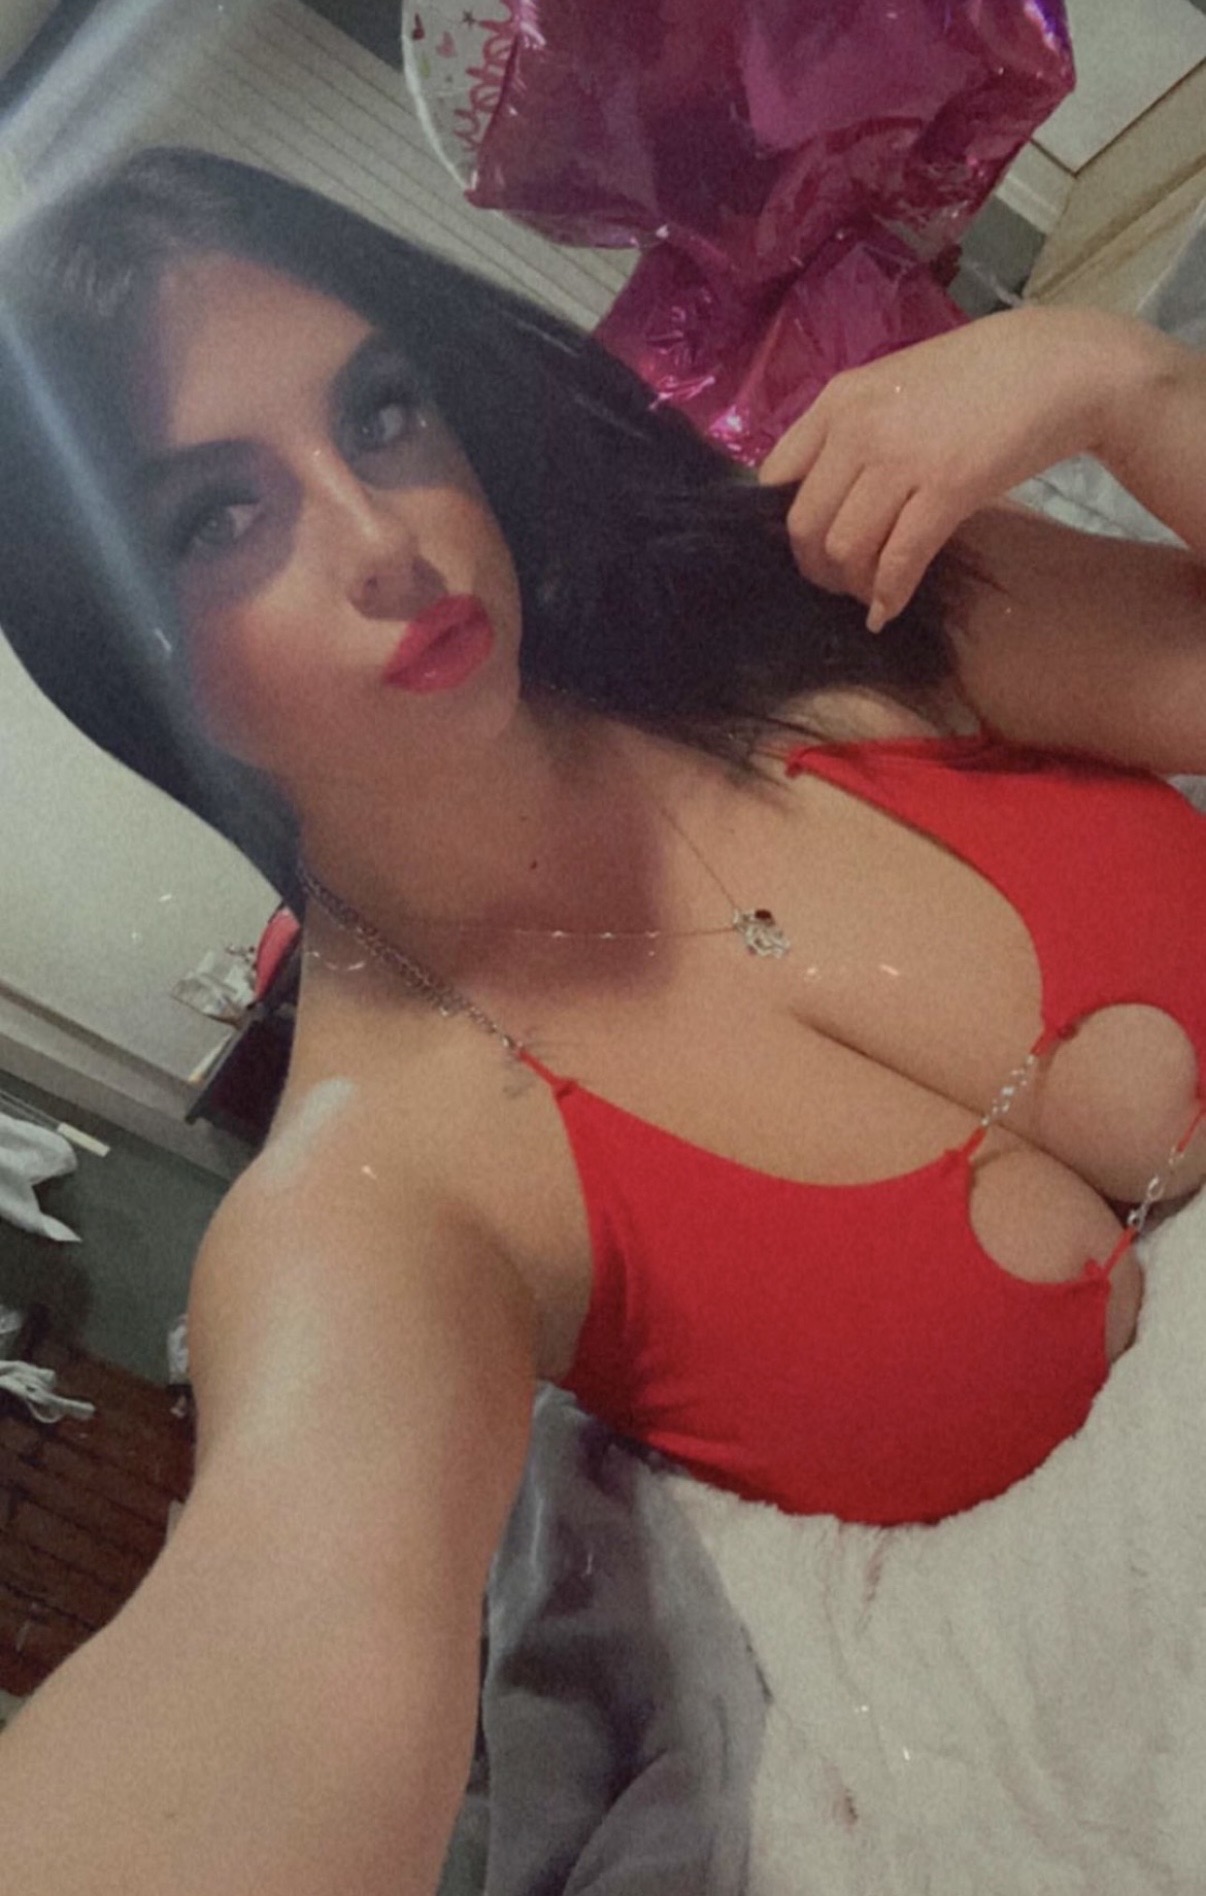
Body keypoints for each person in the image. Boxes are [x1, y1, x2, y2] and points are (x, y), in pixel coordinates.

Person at [0, 145, 1203, 1894]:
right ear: (122, 642)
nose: (383, 540)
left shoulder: (809, 615)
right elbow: (268, 1668)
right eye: (216, 519)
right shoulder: (383, 1196)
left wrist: (1124, 382)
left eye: (381, 415)